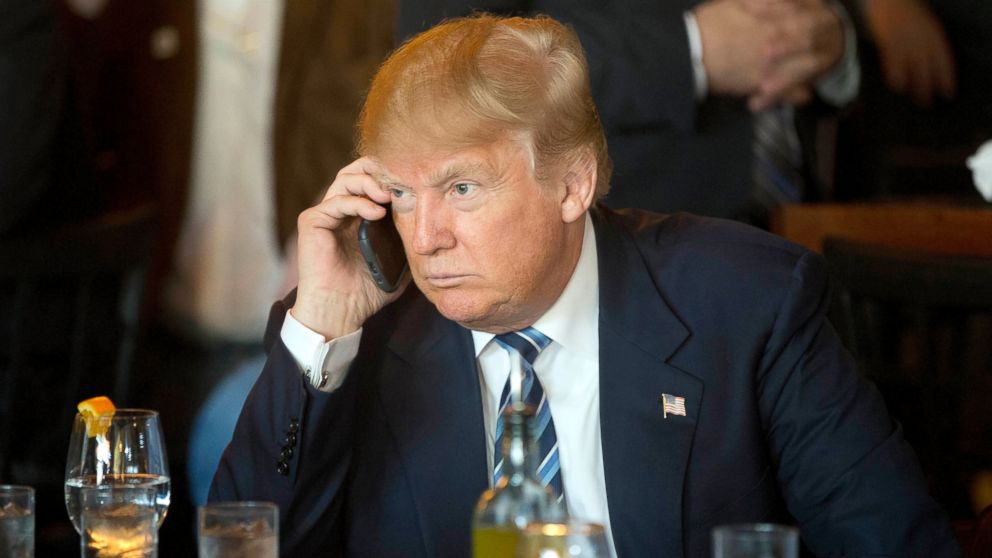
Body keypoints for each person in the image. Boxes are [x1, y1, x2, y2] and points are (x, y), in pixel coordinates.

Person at [210, 14, 957, 556]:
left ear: (573, 183)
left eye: (462, 188)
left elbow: (892, 540)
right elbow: (250, 546)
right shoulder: (358, 336)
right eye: (401, 196)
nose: (427, 235)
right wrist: (325, 325)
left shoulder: (747, 303)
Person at [397, 0, 859, 226]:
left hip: (833, 227)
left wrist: (835, 41)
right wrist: (691, 51)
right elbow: (446, 57)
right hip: (627, 243)